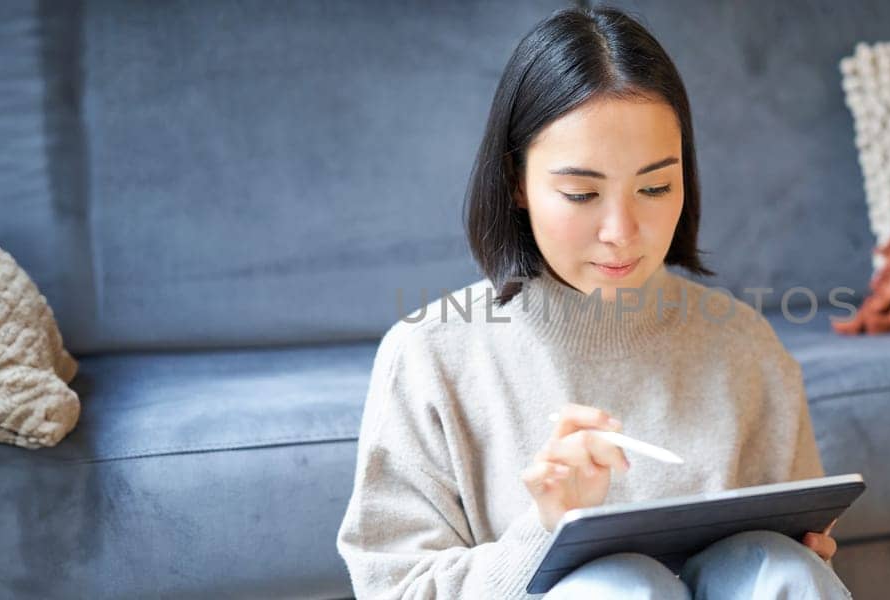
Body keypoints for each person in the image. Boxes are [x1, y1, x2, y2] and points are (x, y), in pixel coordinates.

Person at [336, 6, 851, 599]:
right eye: (582, 193)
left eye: (656, 186)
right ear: (516, 183)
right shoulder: (430, 357)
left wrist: (809, 559)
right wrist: (545, 531)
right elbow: (394, 589)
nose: (622, 230)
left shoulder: (743, 347)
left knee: (782, 568)